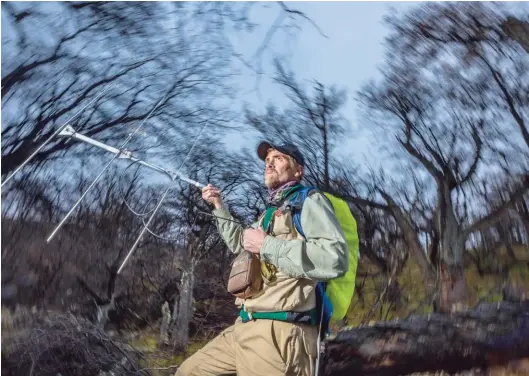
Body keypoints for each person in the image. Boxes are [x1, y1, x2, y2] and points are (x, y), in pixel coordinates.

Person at [175, 141, 348, 376]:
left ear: (298, 171)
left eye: (278, 158)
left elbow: (334, 259)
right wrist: (218, 205)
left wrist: (266, 245)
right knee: (188, 372)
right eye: (267, 161)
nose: (269, 164)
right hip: (244, 326)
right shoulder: (269, 213)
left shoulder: (309, 202)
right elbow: (240, 243)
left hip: (279, 333)